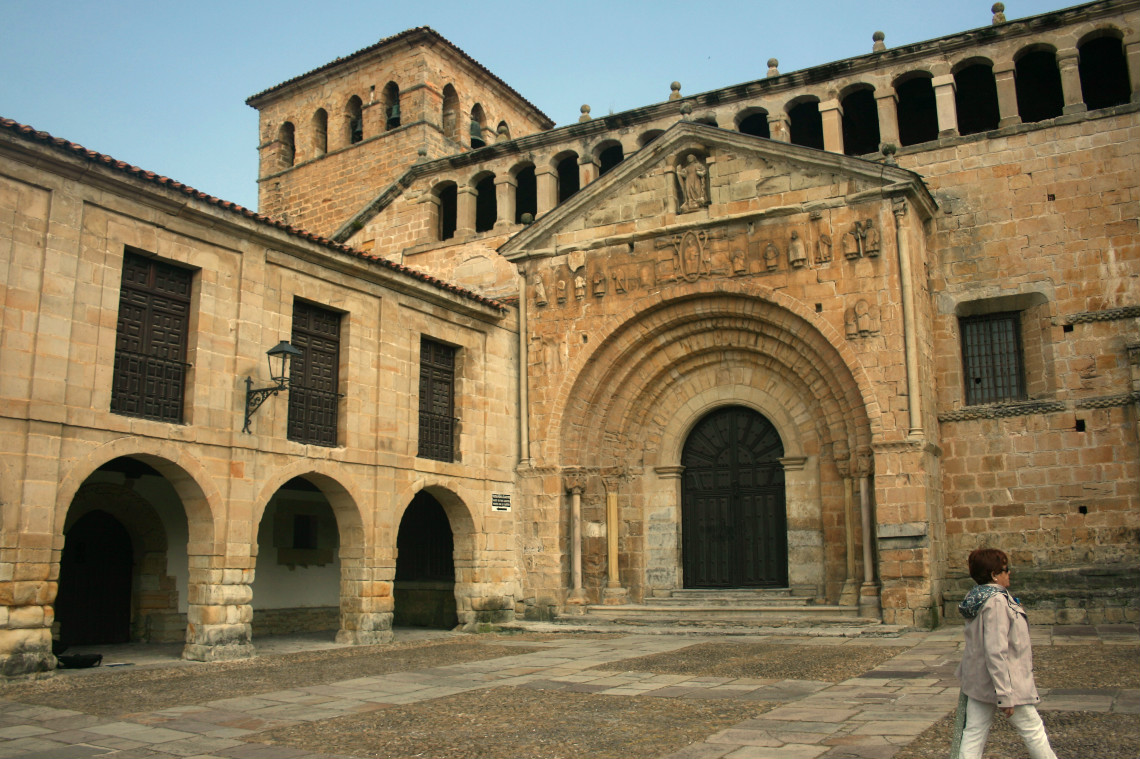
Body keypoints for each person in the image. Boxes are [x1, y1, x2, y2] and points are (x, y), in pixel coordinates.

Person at [953, 548, 1057, 759]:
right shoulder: (997, 602)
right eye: (1005, 569)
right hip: (1005, 682)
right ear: (993, 574)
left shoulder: (977, 598)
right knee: (1033, 730)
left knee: (973, 733)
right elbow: (996, 650)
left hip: (979, 681)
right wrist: (1004, 694)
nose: (1009, 573)